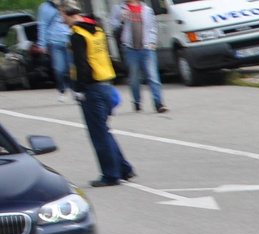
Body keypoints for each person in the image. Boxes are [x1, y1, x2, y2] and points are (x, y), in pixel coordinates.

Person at [64, 3, 133, 188]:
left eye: (61, 15)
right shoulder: (97, 30)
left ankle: (111, 174)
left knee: (99, 134)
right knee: (104, 130)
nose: (61, 19)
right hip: (106, 85)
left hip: (92, 88)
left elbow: (81, 64)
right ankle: (124, 168)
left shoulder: (77, 35)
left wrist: (79, 89)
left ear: (66, 13)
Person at [109, 0, 165, 113]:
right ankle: (137, 101)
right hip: (130, 48)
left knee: (153, 76)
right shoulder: (119, 9)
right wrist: (121, 18)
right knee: (134, 78)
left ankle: (158, 103)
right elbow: (112, 24)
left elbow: (152, 27)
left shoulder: (146, 9)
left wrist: (152, 42)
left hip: (146, 48)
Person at [37, 0, 71, 101]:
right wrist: (42, 44)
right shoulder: (45, 7)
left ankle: (76, 90)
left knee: (73, 68)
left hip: (70, 40)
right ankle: (62, 90)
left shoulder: (68, 2)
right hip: (55, 41)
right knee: (60, 69)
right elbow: (42, 25)